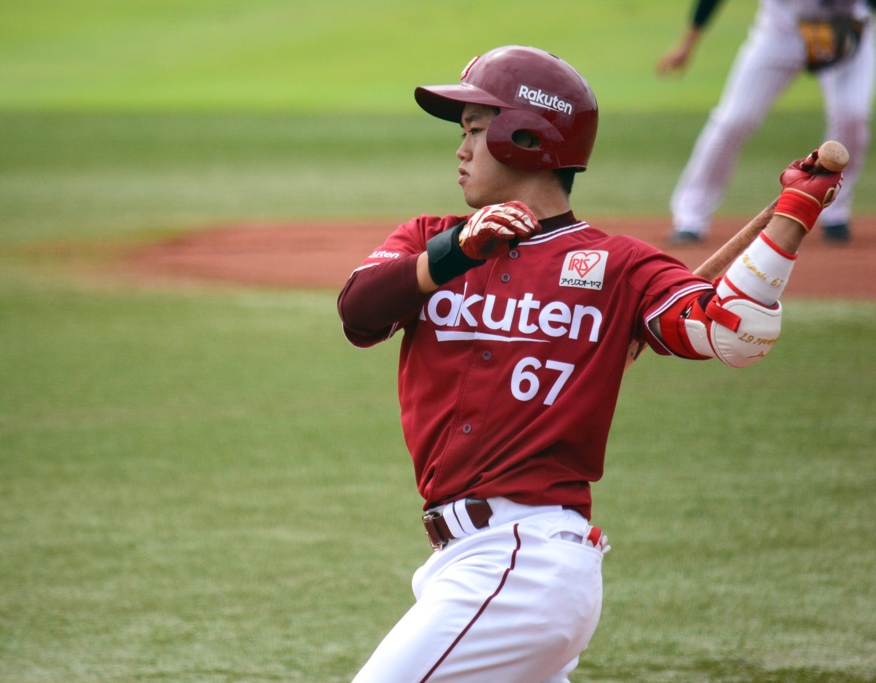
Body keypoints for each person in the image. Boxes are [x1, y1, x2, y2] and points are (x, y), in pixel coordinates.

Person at [336, 44, 842, 683]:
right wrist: (452, 255)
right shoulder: (428, 241)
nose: (460, 149)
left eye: (474, 132)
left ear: (525, 136)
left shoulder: (618, 266)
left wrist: (794, 215)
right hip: (466, 563)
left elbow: (734, 332)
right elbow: (358, 315)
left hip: (522, 564)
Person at [657, 0, 872, 244]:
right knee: (732, 121)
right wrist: (689, 42)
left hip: (846, 27)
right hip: (781, 32)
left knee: (852, 117)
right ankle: (690, 216)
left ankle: (835, 212)